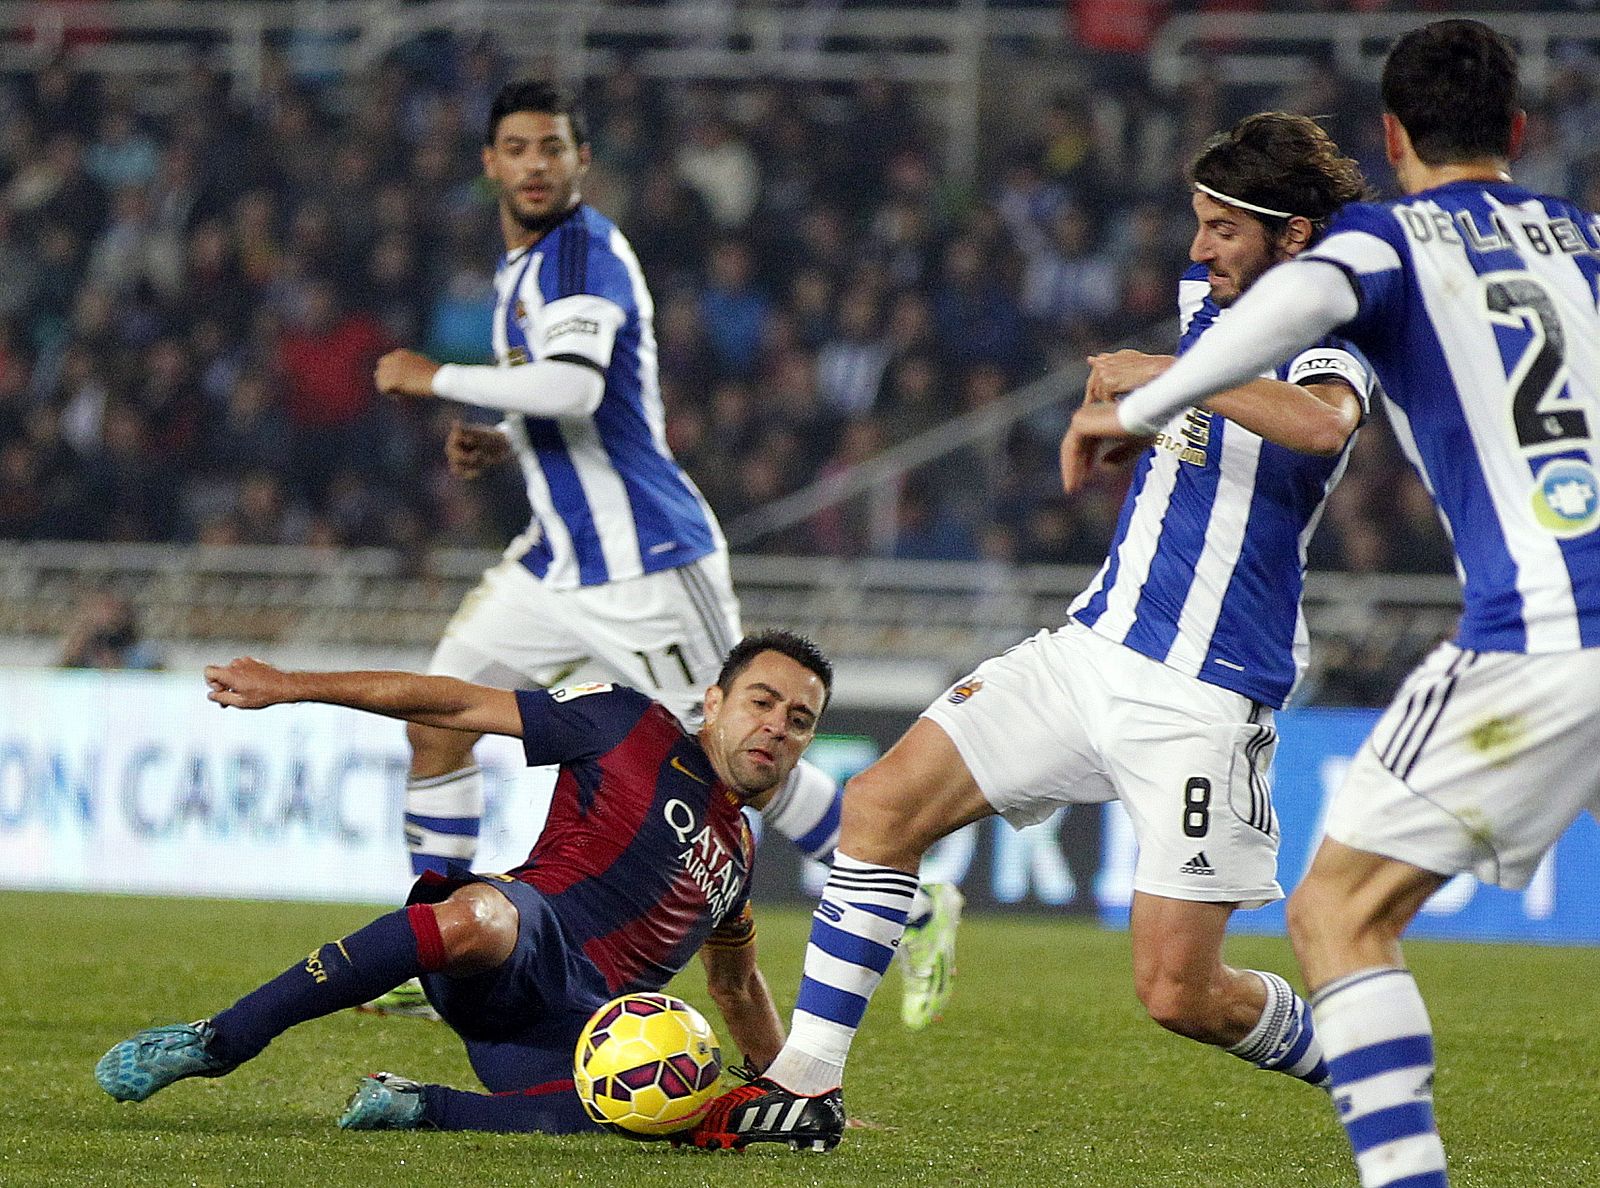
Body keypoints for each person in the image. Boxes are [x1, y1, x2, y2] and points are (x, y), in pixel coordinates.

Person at [682, 112, 1377, 1152]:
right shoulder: (1210, 304)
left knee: (1180, 993)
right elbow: (1187, 432)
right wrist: (1122, 426)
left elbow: (1319, 425)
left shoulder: (1337, 332)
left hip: (1204, 690)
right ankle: (807, 1087)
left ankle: (1365, 1067)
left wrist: (1164, 377)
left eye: (1223, 228)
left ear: (1294, 236)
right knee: (879, 807)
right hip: (1089, 649)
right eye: (1197, 222)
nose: (1199, 249)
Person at [1059, 21, 1600, 1188]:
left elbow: (1291, 306)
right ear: (1516, 129)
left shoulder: (1387, 241)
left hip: (1546, 638)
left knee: (1337, 914)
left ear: (1393, 137)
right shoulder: (1583, 236)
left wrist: (1142, 401)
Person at [368, 79, 960, 1028]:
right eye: (517, 148)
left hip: (647, 561)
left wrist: (435, 377)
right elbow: (588, 411)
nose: (534, 164)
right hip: (554, 559)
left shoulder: (583, 255)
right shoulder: (522, 268)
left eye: (552, 147)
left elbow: (572, 386)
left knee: (740, 762)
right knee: (437, 718)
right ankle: (440, 949)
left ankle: (920, 903)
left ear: (581, 160)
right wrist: (506, 440)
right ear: (490, 164)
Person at [95, 631, 829, 1135]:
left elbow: (737, 986)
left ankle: (419, 1108)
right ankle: (221, 1040)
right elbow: (453, 704)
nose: (776, 726)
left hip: (574, 1035)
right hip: (523, 939)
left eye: (798, 720)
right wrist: (293, 685)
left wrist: (794, 1089)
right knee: (482, 917)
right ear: (714, 702)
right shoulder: (627, 721)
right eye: (761, 701)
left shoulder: (739, 854)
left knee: (664, 1105)